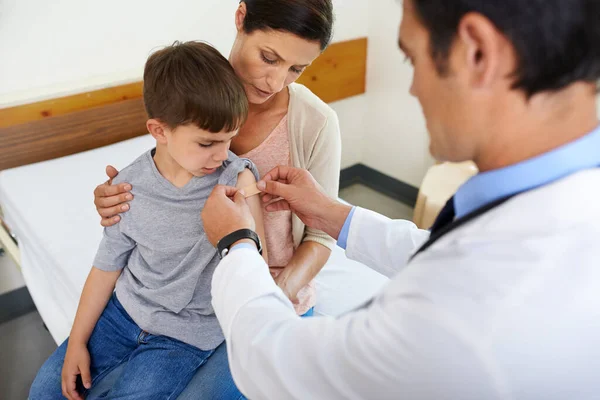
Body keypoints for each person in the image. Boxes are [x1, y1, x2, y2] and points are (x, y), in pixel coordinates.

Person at [201, 0, 600, 398]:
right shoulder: (560, 208)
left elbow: (276, 364)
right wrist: (332, 214)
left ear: (477, 52)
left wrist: (238, 244)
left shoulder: (471, 317)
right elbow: (438, 251)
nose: (413, 89)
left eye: (412, 60)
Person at [30, 41, 265, 400]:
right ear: (159, 131)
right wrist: (77, 341)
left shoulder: (235, 180)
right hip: (122, 314)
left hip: (186, 334)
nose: (222, 155)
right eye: (207, 143)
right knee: (46, 389)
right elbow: (106, 267)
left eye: (230, 138)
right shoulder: (128, 187)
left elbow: (254, 263)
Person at [93, 0, 339, 319]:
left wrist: (268, 298)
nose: (275, 82)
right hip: (185, 300)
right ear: (241, 17)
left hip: (268, 292)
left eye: (296, 69)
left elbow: (321, 234)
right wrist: (119, 200)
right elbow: (164, 186)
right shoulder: (189, 91)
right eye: (268, 58)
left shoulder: (316, 122)